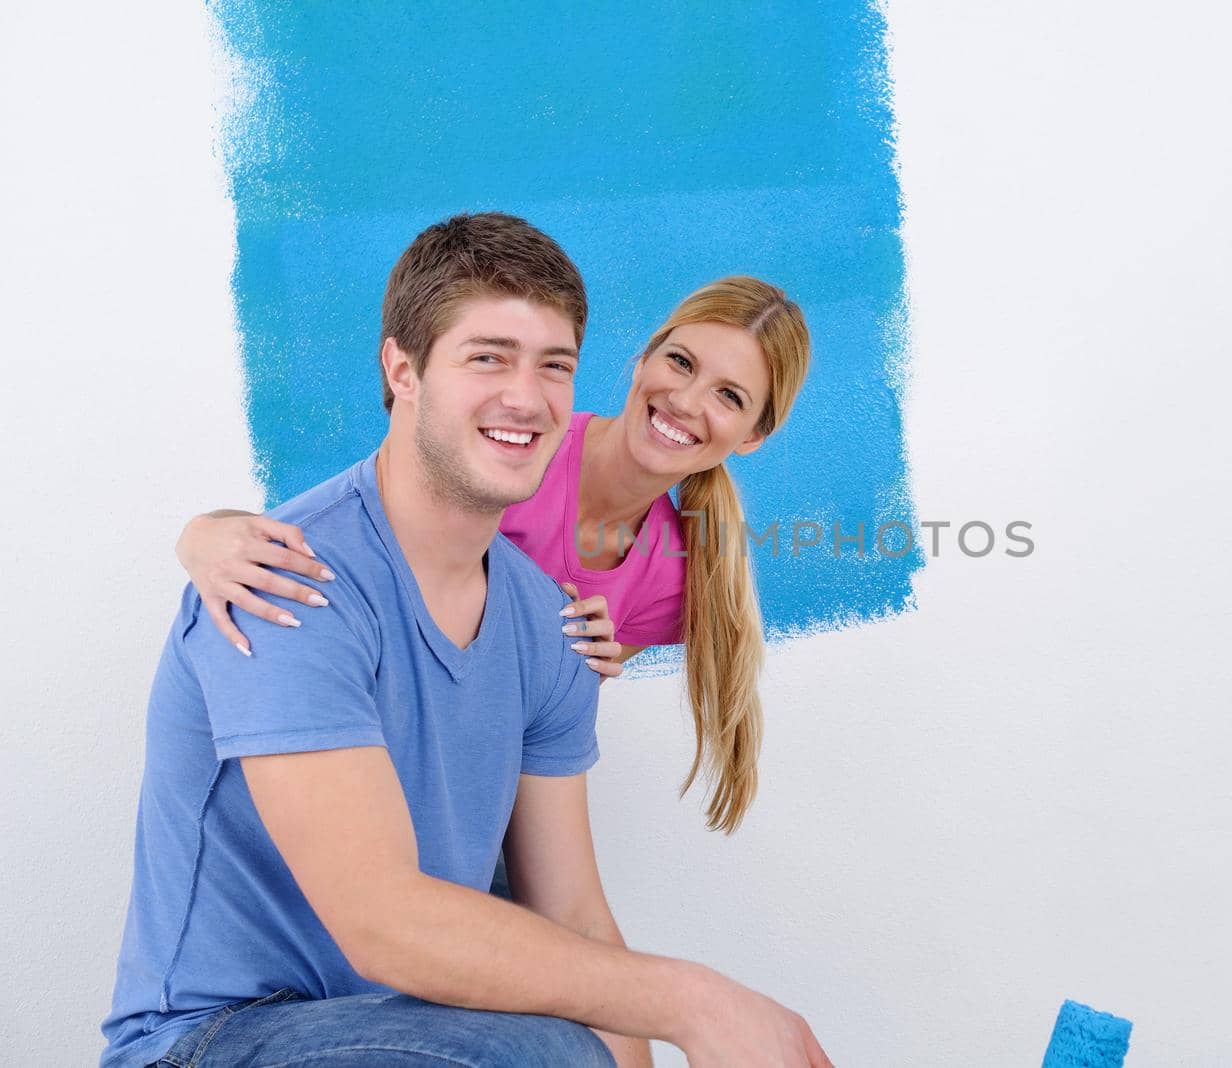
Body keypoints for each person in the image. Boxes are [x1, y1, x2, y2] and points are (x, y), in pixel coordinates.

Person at [101, 212, 831, 1068]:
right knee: (549, 1054)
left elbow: (575, 919)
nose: (524, 397)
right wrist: (698, 1003)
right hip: (215, 1039)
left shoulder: (556, 626)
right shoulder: (282, 582)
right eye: (487, 356)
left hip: (423, 1020)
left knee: (571, 1044)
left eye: (552, 366)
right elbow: (383, 922)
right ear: (402, 370)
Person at [176, 274, 810, 833]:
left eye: (730, 396)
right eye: (681, 363)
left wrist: (568, 668)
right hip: (338, 760)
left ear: (754, 436)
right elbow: (360, 515)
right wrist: (205, 531)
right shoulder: (518, 443)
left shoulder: (675, 580)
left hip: (466, 811)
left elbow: (529, 719)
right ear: (644, 358)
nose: (687, 400)